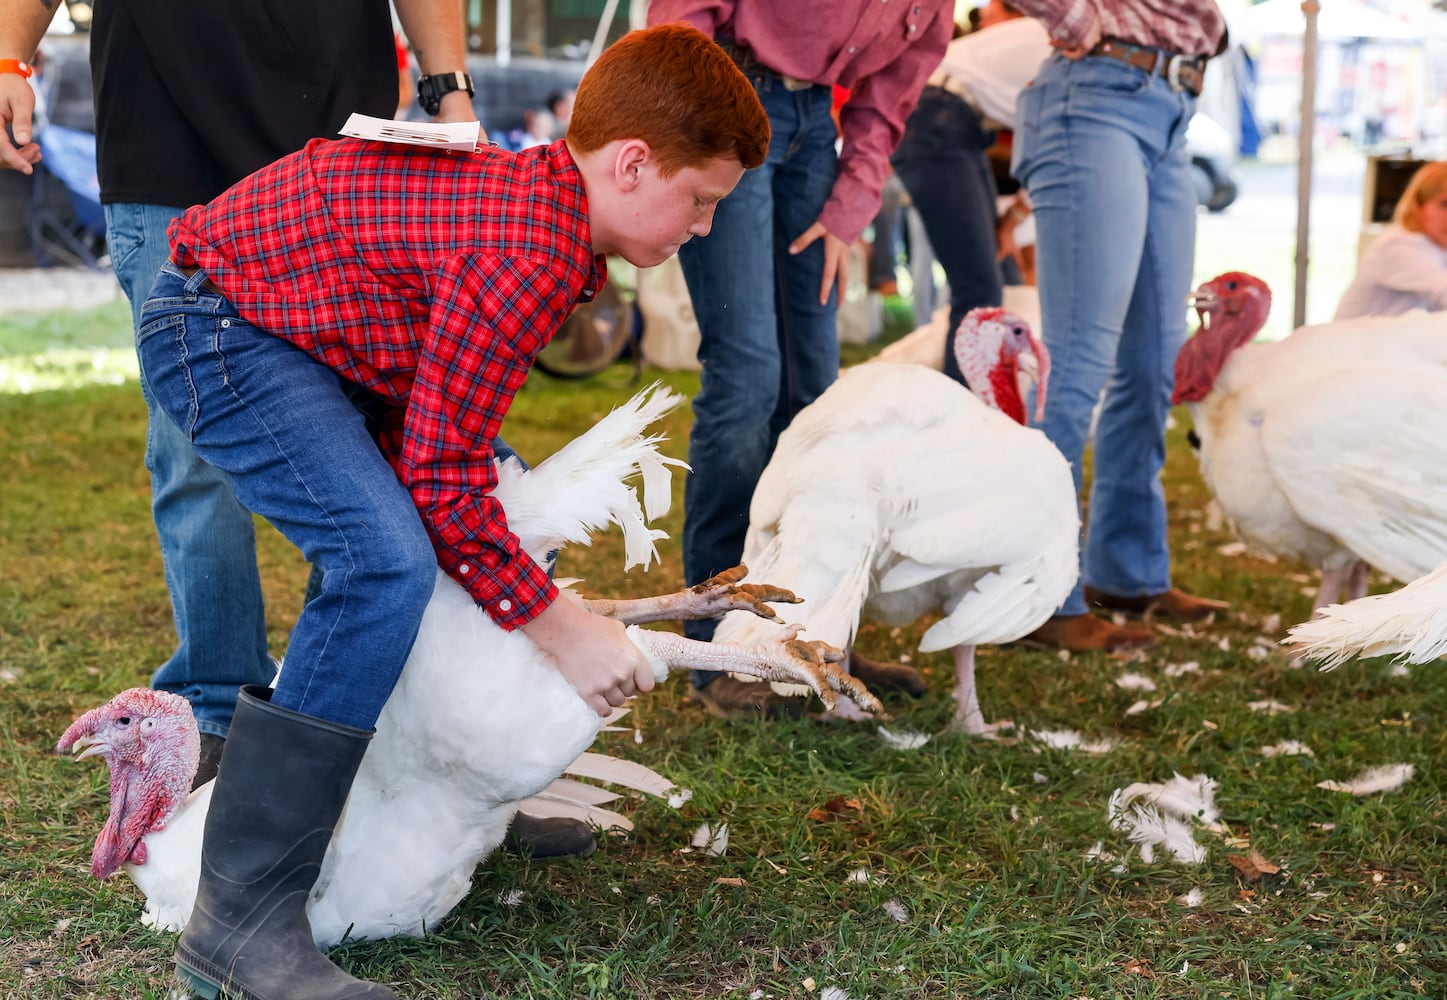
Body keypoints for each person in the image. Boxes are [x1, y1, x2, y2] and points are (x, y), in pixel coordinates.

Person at [125, 23, 767, 999]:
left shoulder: (546, 217)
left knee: (484, 501)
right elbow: (438, 481)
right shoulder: (529, 247)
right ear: (633, 165)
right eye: (702, 199)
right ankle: (240, 919)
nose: (705, 225)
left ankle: (462, 801)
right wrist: (561, 629)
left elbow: (455, 461)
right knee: (381, 559)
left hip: (300, 334)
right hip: (224, 329)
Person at [0, 0, 598, 859]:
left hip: (335, 133)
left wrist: (448, 85)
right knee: (198, 459)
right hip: (170, 144)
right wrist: (9, 57)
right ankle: (218, 732)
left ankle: (420, 759)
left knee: (395, 459)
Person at [646, 0, 953, 717]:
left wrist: (851, 201)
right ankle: (718, 650)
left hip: (817, 129)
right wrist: (694, 128)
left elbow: (886, 100)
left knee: (816, 401)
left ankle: (812, 634)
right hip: (725, 98)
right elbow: (680, 15)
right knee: (747, 377)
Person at [1008, 0, 1231, 651]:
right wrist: (1076, 21)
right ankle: (1035, 594)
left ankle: (1127, 576)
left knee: (1151, 365)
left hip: (1170, 109)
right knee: (1076, 362)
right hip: (1095, 93)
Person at [890, 0, 1051, 383]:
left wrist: (1012, 221)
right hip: (938, 113)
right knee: (979, 289)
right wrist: (1014, 218)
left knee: (991, 279)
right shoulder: (1083, 43)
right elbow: (1056, 152)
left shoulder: (1060, 30)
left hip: (950, 115)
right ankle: (958, 421)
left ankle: (970, 408)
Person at [1334, 160, 1447, 320]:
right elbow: (1443, 292)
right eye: (1444, 204)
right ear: (1418, 206)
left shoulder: (1437, 246)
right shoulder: (1399, 246)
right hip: (1359, 343)